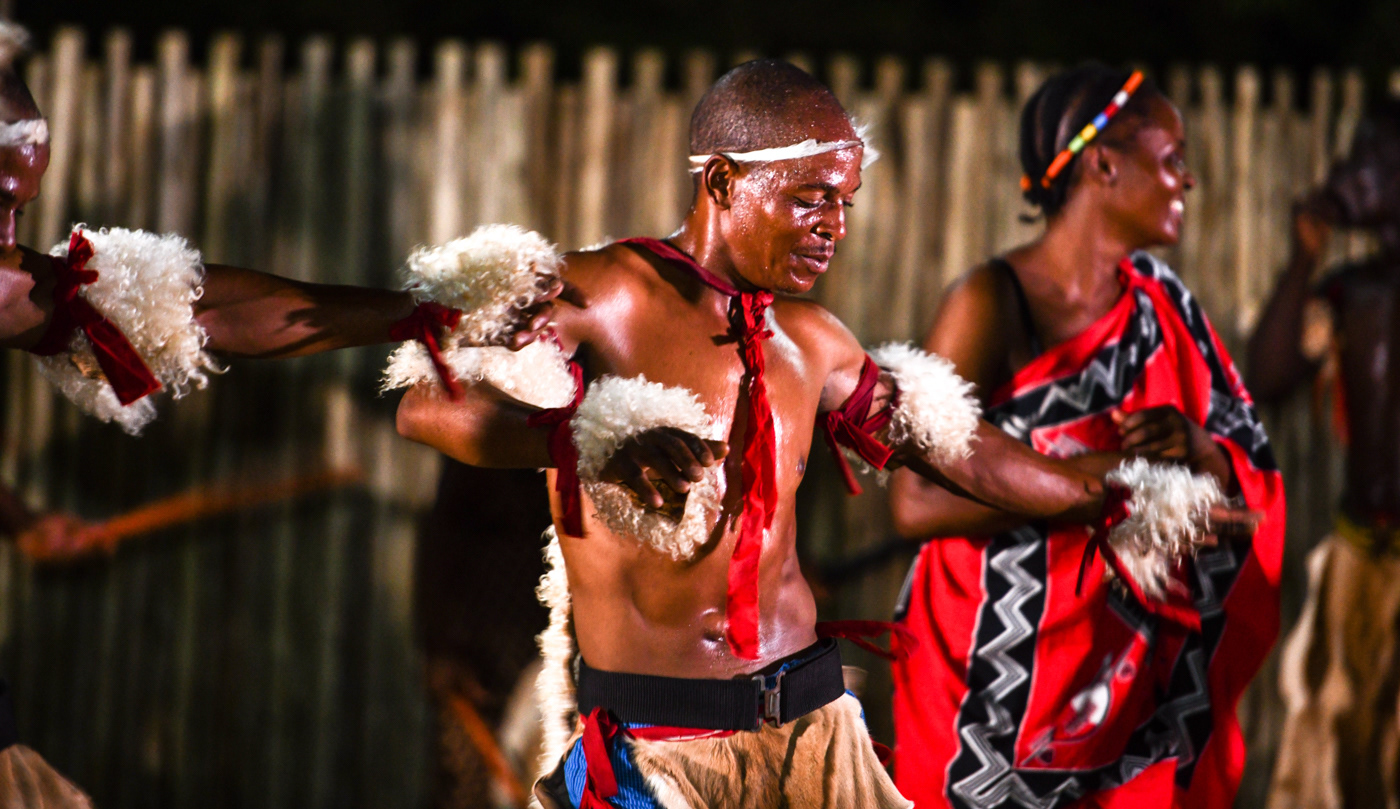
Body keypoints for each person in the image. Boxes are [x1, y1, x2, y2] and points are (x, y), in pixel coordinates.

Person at [394, 59, 1252, 809]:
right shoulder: (604, 294)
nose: (834, 226)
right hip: (655, 747)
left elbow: (965, 449)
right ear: (723, 182)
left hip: (816, 733)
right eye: (810, 199)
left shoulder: (812, 342)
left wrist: (1119, 496)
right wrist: (589, 432)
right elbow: (428, 402)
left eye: (844, 201)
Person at [886, 64, 1284, 809]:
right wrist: (1109, 484)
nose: (1187, 181)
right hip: (987, 673)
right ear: (1103, 164)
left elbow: (1239, 462)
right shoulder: (990, 301)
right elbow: (913, 500)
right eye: (1170, 158)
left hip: (1121, 677)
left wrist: (1196, 450)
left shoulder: (1165, 306)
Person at [1249, 100, 1400, 809]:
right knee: (1337, 757)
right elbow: (1271, 377)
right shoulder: (1351, 297)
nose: (1352, 173)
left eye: (1372, 158)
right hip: (1359, 556)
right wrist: (1305, 255)